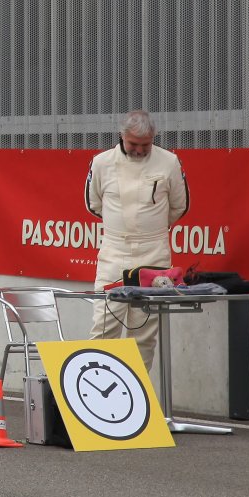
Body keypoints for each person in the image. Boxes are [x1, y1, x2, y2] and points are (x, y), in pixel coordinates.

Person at [84, 109, 190, 370]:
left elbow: (180, 205)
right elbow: (93, 204)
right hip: (114, 251)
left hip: (153, 251)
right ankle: (100, 386)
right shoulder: (101, 163)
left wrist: (150, 228)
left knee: (144, 332)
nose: (140, 150)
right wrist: (122, 225)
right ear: (121, 136)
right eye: (134, 144)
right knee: (104, 325)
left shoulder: (169, 162)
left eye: (146, 144)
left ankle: (137, 389)